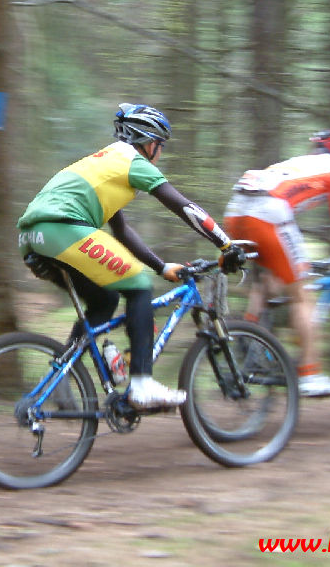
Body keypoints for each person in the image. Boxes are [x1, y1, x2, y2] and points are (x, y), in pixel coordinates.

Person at [17, 103, 245, 409]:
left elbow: (122, 231)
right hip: (63, 228)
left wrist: (161, 266)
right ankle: (141, 384)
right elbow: (184, 207)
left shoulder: (105, 162)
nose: (160, 153)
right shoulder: (132, 161)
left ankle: (62, 377)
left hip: (32, 237)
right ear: (150, 144)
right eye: (161, 146)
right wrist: (226, 245)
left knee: (105, 300)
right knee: (138, 285)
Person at [224, 130, 330, 397]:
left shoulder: (295, 163)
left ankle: (248, 343)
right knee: (302, 295)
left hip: (235, 214)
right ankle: (311, 374)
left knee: (267, 283)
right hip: (268, 214)